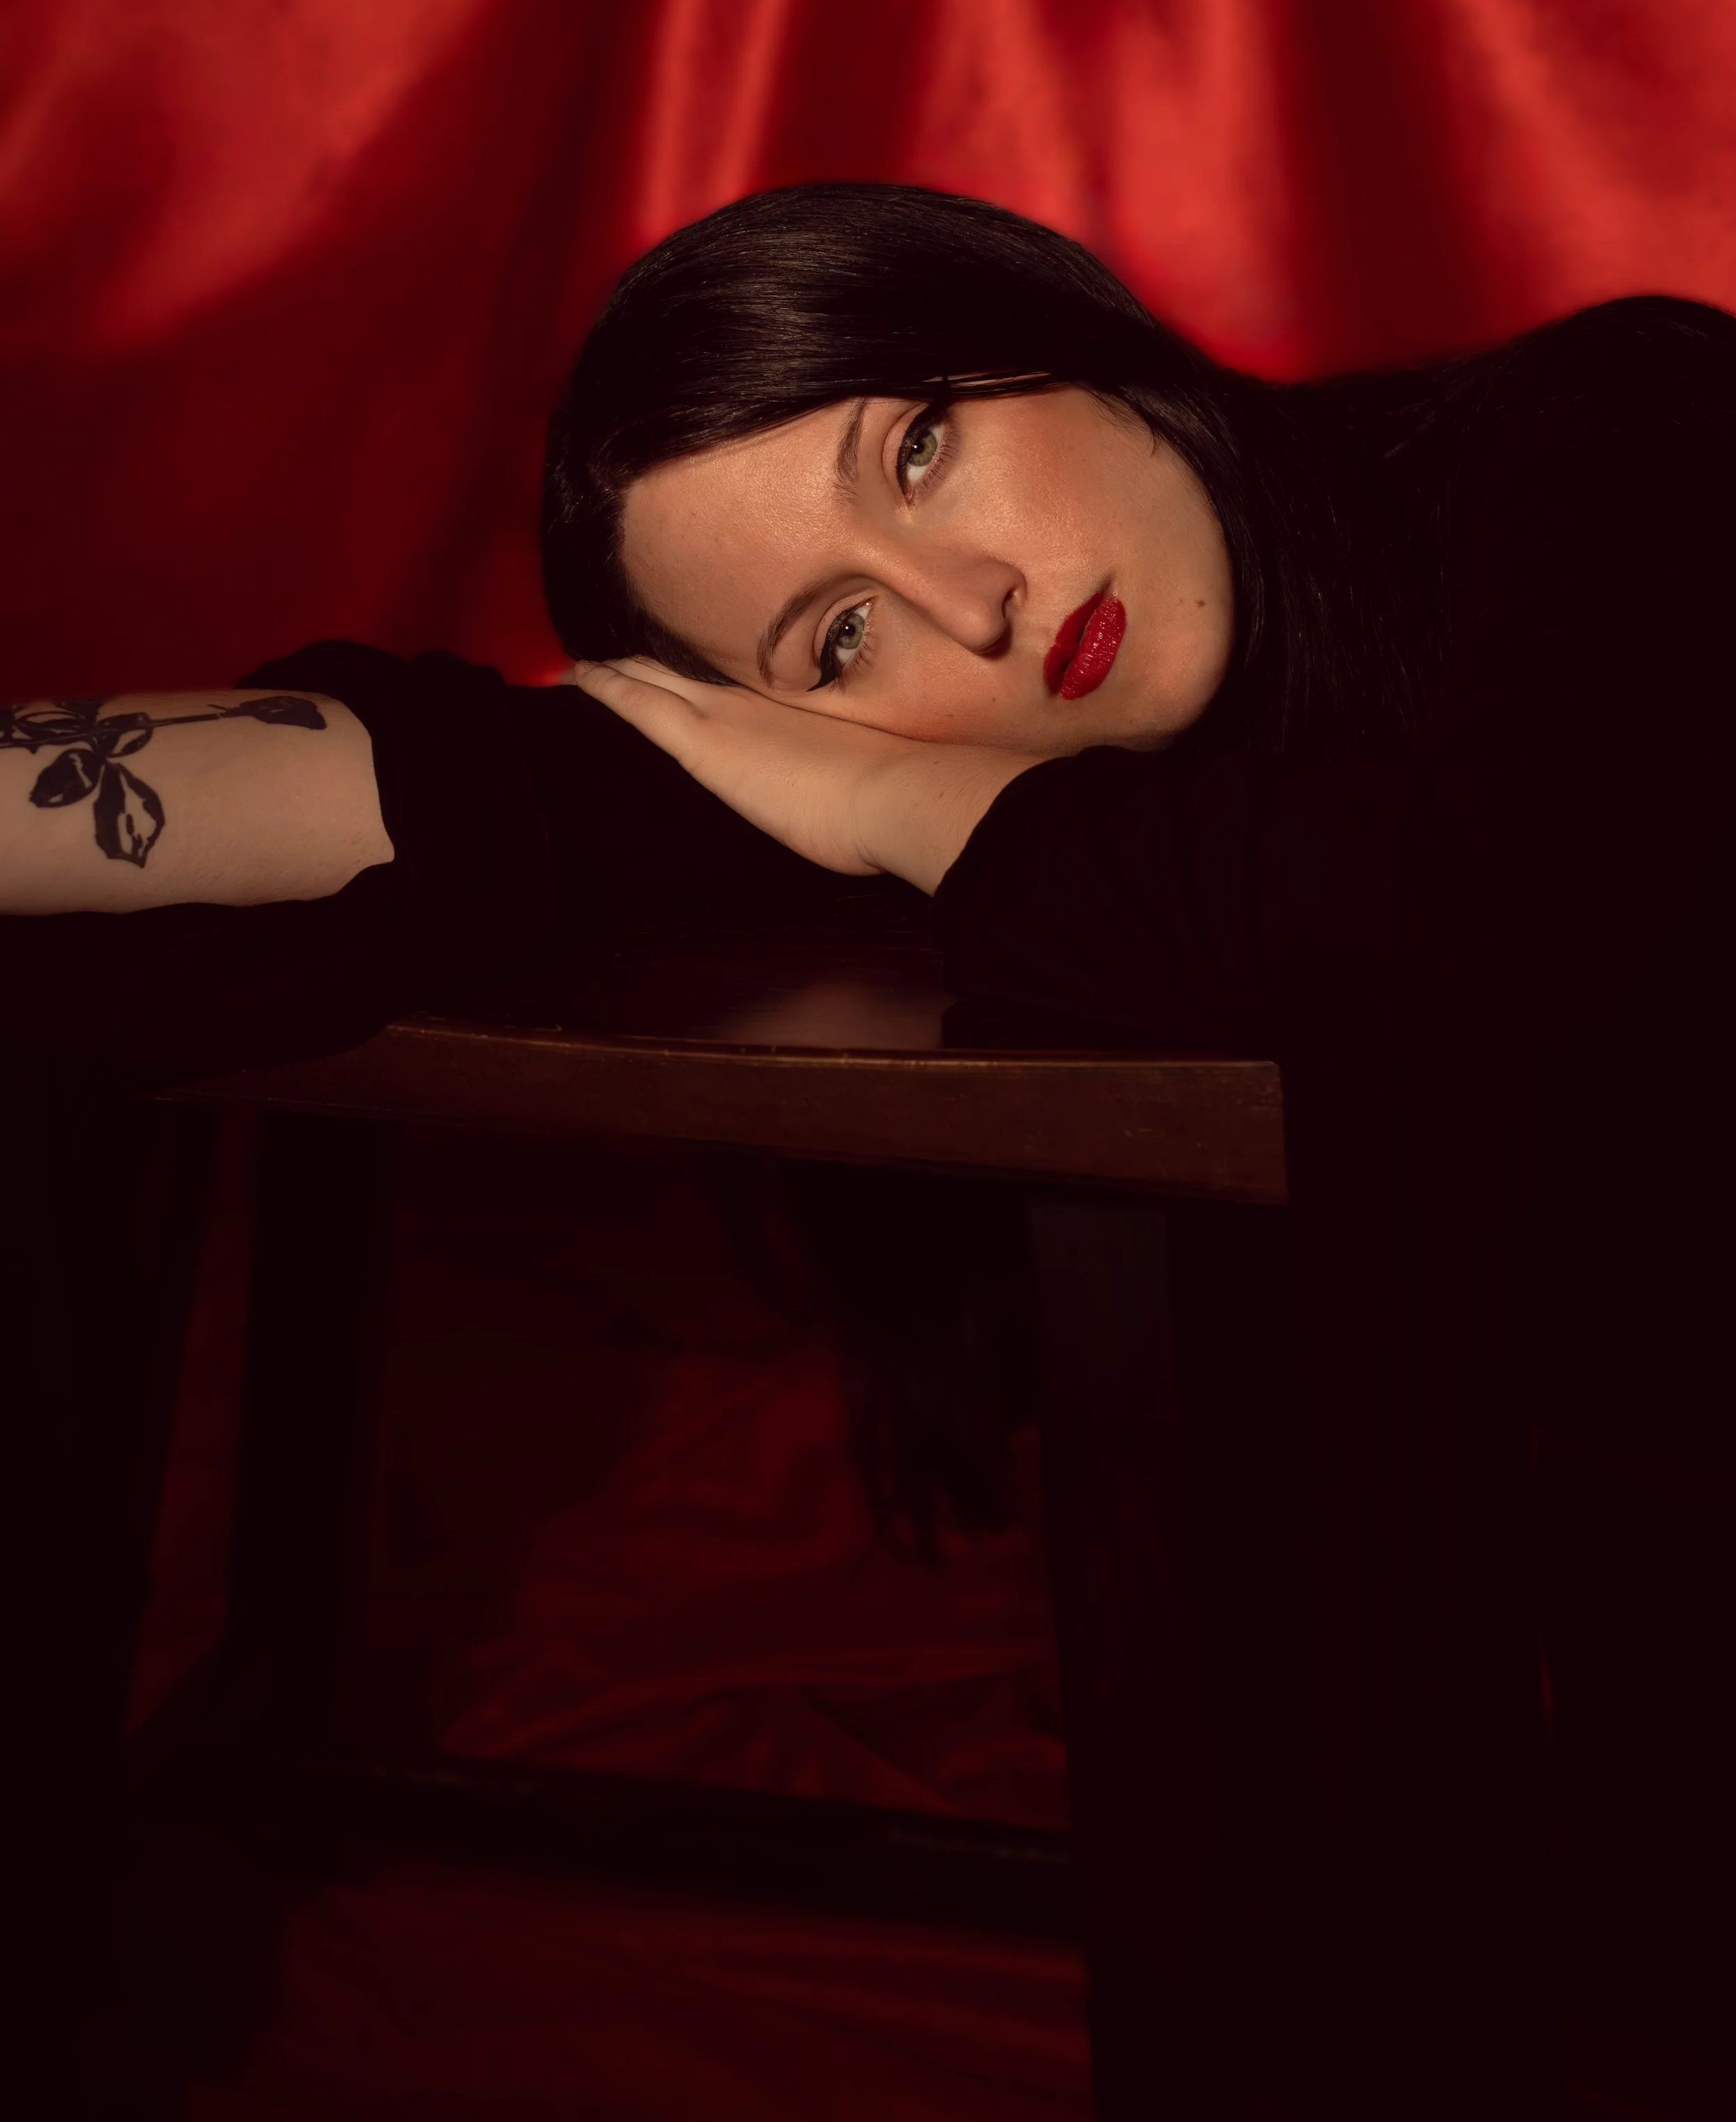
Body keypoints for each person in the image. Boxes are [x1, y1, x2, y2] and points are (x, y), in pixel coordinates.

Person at [4, 184, 1732, 2118]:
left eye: (918, 447)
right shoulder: (987, 763)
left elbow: (1476, 938)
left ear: (1044, 320)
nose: (969, 605)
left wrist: (855, 770)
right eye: (832, 639)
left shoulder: (1619, 430)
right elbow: (426, 787)